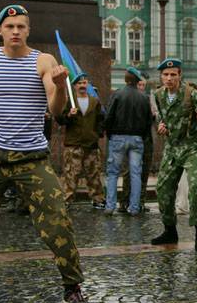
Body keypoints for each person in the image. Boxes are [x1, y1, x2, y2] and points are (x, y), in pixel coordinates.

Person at [0, 5, 90, 303]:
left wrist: (57, 88)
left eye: (21, 26)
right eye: (10, 26)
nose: (15, 31)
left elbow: (56, 112)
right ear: (0, 30)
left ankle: (72, 288)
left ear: (29, 30)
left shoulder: (43, 61)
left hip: (32, 158)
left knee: (56, 220)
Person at [150, 58, 197, 249]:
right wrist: (160, 125)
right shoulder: (159, 95)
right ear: (161, 77)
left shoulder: (191, 94)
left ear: (180, 75)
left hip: (192, 148)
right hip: (172, 148)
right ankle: (170, 231)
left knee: (194, 188)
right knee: (162, 189)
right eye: (165, 75)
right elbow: (162, 117)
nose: (169, 78)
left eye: (173, 75)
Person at [104, 67, 153, 216]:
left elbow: (109, 116)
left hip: (117, 137)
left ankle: (110, 206)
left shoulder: (117, 94)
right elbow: (148, 121)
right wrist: (142, 137)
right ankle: (134, 207)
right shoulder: (144, 97)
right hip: (137, 139)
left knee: (113, 173)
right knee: (136, 174)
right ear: (137, 81)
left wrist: (109, 134)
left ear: (126, 80)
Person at [56, 73, 105, 208]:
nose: (82, 86)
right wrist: (69, 115)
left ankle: (98, 199)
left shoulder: (94, 102)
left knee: (94, 174)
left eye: (84, 83)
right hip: (73, 144)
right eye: (79, 84)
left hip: (91, 144)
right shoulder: (69, 101)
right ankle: (67, 199)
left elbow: (101, 119)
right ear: (74, 86)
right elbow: (59, 119)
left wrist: (98, 133)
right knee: (70, 174)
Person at [119, 75, 153, 213]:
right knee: (128, 172)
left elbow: (154, 117)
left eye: (143, 86)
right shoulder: (124, 99)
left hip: (145, 140)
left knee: (144, 172)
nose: (140, 88)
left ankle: (140, 202)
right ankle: (124, 202)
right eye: (138, 85)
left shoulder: (148, 100)